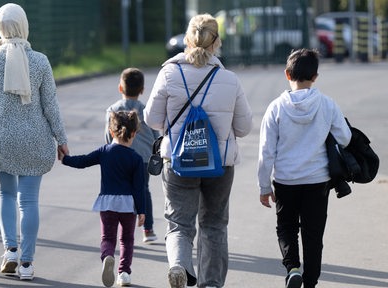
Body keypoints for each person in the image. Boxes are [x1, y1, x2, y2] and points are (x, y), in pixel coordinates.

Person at [144, 14, 253, 288]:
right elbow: (243, 127)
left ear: (187, 39)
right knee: (214, 225)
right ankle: (212, 283)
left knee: (179, 223)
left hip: (179, 162)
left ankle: (179, 266)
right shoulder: (229, 79)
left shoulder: (169, 73)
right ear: (216, 42)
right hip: (220, 165)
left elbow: (152, 120)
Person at [0, 3, 69, 281]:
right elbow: (50, 104)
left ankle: (10, 251)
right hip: (34, 138)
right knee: (28, 200)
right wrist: (61, 138)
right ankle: (28, 265)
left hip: (0, 136)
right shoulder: (41, 61)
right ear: (24, 24)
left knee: (5, 194)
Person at [257, 48, 351, 288]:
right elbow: (345, 138)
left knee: (286, 228)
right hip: (317, 181)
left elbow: (266, 151)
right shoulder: (327, 105)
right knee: (313, 235)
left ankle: (293, 269)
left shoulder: (276, 108)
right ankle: (310, 282)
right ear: (316, 76)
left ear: (287, 74)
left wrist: (264, 186)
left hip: (286, 181)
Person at [60, 111, 146, 287]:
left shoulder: (104, 151)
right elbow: (139, 188)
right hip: (127, 205)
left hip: (107, 203)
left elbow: (83, 161)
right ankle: (124, 273)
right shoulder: (136, 159)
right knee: (127, 239)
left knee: (108, 238)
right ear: (134, 133)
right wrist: (142, 211)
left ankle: (107, 256)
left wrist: (65, 159)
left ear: (111, 131)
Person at [104, 67, 160, 243]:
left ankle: (123, 233)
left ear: (120, 88)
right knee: (143, 191)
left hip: (119, 159)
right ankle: (148, 230)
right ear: (142, 90)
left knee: (122, 194)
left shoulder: (112, 110)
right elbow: (155, 136)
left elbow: (108, 135)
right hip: (142, 158)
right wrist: (155, 153)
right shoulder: (146, 110)